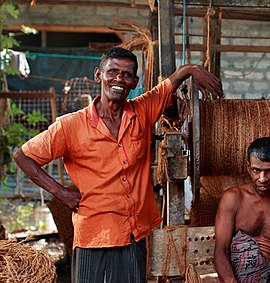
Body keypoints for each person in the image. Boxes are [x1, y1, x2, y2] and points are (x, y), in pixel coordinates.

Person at [13, 47, 222, 282]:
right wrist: (62, 194)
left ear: (134, 82)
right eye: (112, 71)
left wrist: (191, 70)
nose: (119, 79)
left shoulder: (142, 111)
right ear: (98, 75)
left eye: (126, 75)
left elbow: (168, 85)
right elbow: (23, 156)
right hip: (94, 236)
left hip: (133, 235)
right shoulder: (70, 126)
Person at [214, 137, 270, 283]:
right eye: (256, 170)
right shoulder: (233, 198)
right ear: (248, 167)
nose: (262, 178)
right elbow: (221, 251)